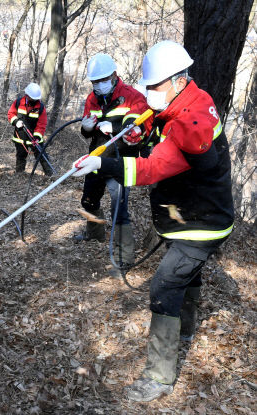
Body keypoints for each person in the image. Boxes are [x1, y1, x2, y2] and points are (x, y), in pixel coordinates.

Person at [72, 40, 234, 402]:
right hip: (192, 213)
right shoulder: (188, 98)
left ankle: (159, 378)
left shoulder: (192, 124)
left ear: (178, 81)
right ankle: (186, 331)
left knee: (163, 287)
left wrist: (103, 163)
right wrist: (141, 130)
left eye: (155, 86)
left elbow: (152, 167)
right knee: (187, 275)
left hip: (203, 221)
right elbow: (158, 126)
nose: (149, 93)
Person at [74, 53, 151, 267]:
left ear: (115, 75)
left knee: (119, 210)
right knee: (88, 201)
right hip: (96, 159)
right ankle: (95, 234)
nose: (98, 86)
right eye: (94, 82)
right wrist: (86, 128)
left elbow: (136, 127)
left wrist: (116, 128)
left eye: (102, 80)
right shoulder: (92, 98)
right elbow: (87, 132)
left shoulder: (133, 96)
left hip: (121, 162)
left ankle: (123, 258)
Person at [6, 82, 53, 176]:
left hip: (34, 137)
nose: (33, 100)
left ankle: (50, 175)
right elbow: (11, 114)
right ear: (26, 95)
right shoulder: (18, 102)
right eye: (32, 98)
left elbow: (42, 124)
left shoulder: (40, 108)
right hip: (20, 136)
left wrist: (37, 137)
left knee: (42, 155)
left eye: (35, 98)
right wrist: (16, 122)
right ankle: (19, 175)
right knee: (21, 155)